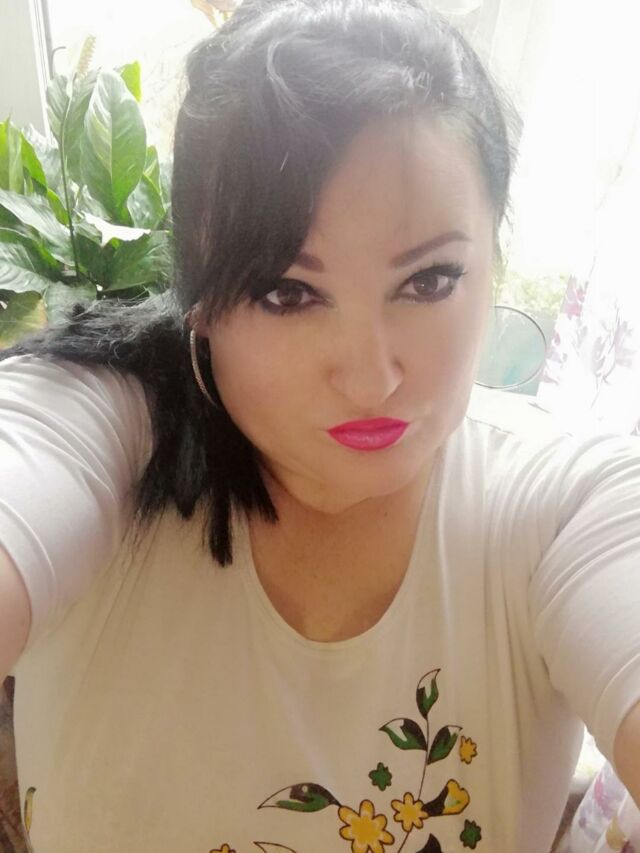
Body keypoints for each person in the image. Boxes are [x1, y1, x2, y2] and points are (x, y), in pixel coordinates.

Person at [0, 1, 639, 851]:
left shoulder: (564, 503)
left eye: (429, 281)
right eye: (288, 292)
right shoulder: (95, 429)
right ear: (200, 301)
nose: (372, 378)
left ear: (493, 258)